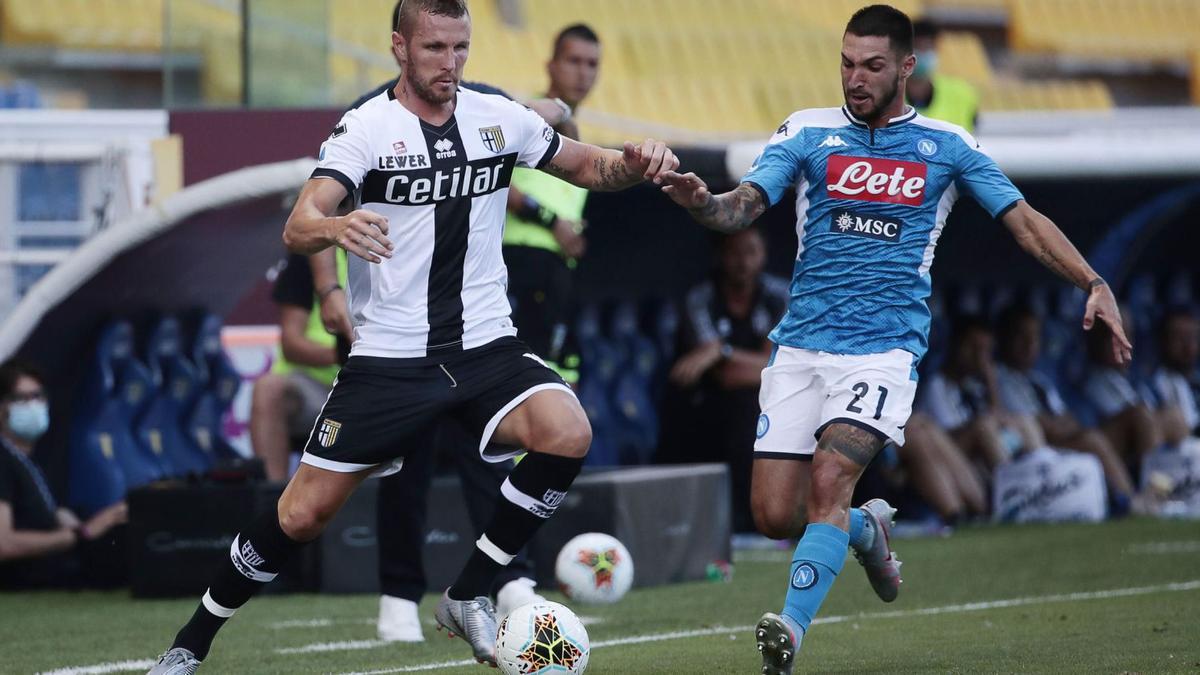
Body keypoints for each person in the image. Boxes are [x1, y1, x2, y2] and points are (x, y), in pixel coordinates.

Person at [147, 1, 678, 672]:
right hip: (391, 359)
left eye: (460, 47)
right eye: (434, 48)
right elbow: (299, 222)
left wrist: (638, 162)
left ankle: (469, 590)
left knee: (568, 430)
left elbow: (588, 167)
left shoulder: (496, 115)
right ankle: (190, 641)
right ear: (399, 47)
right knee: (302, 515)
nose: (450, 63)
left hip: (486, 345)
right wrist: (337, 227)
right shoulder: (367, 128)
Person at [657, 5, 1130, 672]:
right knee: (772, 512)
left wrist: (1092, 280)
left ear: (907, 66)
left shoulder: (947, 145)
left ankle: (788, 632)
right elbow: (744, 206)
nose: (856, 78)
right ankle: (865, 528)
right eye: (847, 63)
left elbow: (1022, 220)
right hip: (799, 349)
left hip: (884, 350)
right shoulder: (807, 129)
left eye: (872, 65)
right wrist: (700, 201)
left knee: (830, 476)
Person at [658, 226, 788, 533]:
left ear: (764, 255)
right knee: (731, 408)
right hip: (707, 403)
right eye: (735, 253)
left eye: (751, 252)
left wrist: (721, 350)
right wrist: (728, 361)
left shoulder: (778, 295)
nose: (743, 261)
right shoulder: (702, 298)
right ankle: (735, 523)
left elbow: (777, 366)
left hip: (770, 399)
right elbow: (725, 376)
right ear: (720, 256)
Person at [502, 24, 601, 385]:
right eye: (574, 61)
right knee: (522, 387)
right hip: (518, 265)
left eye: (591, 64)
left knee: (561, 386)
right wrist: (549, 220)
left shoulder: (577, 132)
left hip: (559, 273)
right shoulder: (526, 119)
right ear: (551, 65)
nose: (583, 72)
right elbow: (493, 178)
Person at [994, 303, 1138, 514]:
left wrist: (1057, 425)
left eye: (1034, 337)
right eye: (1021, 337)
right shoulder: (1000, 378)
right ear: (1004, 339)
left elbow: (1067, 419)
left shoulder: (1039, 381)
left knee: (1092, 435)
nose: (1029, 344)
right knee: (1091, 440)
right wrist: (1056, 425)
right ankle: (1132, 500)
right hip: (1033, 452)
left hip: (1060, 443)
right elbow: (1039, 426)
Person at [0, 359, 127, 589]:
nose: (33, 405)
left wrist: (67, 520)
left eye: (38, 396)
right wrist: (82, 533)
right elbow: (4, 544)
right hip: (23, 584)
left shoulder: (24, 460)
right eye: (22, 399)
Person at [921, 315, 1034, 471]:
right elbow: (948, 435)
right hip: (946, 456)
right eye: (973, 347)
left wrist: (991, 383)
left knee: (1022, 421)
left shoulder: (974, 387)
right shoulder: (936, 385)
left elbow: (1001, 423)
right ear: (955, 345)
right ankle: (1012, 482)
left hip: (976, 457)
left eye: (985, 351)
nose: (979, 357)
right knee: (983, 427)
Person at [1082, 306, 1163, 463]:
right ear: (1098, 340)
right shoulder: (1094, 382)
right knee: (1142, 416)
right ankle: (1158, 485)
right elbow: (1134, 420)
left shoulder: (1134, 378)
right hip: (1114, 448)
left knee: (1173, 417)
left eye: (1127, 335)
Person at [907, 17, 979, 132]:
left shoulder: (962, 94)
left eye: (929, 47)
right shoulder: (886, 98)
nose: (924, 53)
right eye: (918, 48)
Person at [1149, 306, 1199, 441]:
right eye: (1179, 338)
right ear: (1164, 342)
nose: (1187, 347)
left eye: (1191, 337)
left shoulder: (1195, 378)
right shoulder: (1158, 383)